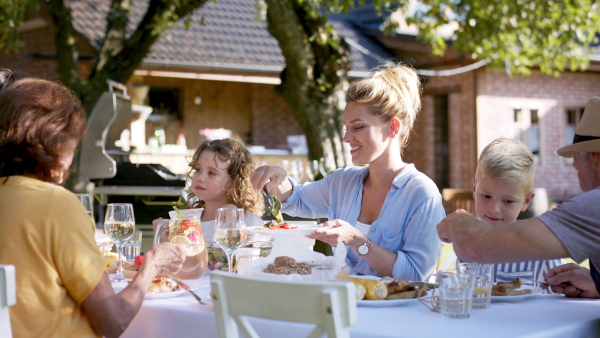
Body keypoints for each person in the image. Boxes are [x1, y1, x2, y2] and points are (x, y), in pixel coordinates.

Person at [0, 78, 186, 337]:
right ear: (55, 145)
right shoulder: (56, 205)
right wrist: (151, 267)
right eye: (73, 146)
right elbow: (113, 321)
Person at [251, 64, 445, 280]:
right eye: (346, 127)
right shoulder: (343, 181)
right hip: (343, 307)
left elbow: (417, 274)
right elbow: (297, 199)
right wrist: (279, 179)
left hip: (397, 312)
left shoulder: (421, 193)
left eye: (358, 127)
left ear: (393, 127)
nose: (346, 138)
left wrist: (356, 240)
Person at [437, 96, 600, 298]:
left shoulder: (594, 207)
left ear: (596, 160)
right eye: (486, 195)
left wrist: (460, 226)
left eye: (576, 167)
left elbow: (481, 246)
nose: (580, 183)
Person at [154, 137, 264, 273]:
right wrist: (165, 243)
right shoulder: (187, 223)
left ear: (234, 181)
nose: (200, 177)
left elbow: (251, 271)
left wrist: (232, 217)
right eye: (198, 169)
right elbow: (176, 272)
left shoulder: (247, 222)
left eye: (212, 173)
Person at [468, 138, 563, 291]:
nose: (494, 209)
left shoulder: (539, 251)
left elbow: (559, 302)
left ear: (526, 201)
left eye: (507, 201)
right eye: (486, 196)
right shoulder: (467, 243)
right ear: (474, 189)